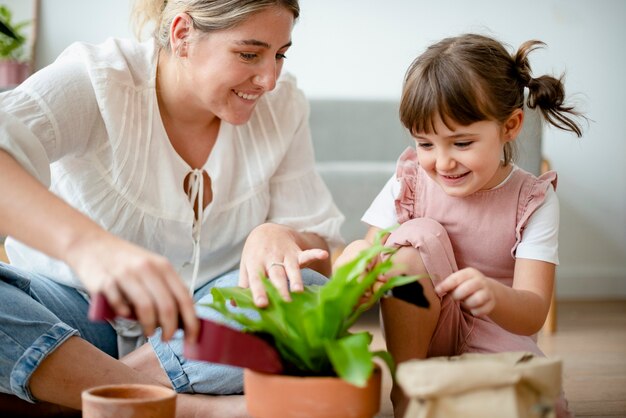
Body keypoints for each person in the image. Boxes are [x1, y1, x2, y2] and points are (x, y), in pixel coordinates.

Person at [0, 0, 343, 416]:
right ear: (182, 35)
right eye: (249, 54)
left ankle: (71, 388)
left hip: (205, 323)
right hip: (75, 317)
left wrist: (280, 235)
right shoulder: (97, 79)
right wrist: (90, 248)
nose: (269, 78)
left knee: (311, 294)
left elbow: (321, 258)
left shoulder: (283, 105)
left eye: (280, 54)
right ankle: (188, 409)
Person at [334, 33, 583, 418]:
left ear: (511, 125)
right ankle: (409, 391)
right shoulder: (409, 181)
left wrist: (494, 296)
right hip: (421, 335)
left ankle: (448, 395)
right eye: (426, 144)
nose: (443, 162)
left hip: (497, 337)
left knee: (543, 406)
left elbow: (534, 310)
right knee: (413, 241)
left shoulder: (532, 200)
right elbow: (371, 256)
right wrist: (354, 261)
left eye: (462, 143)